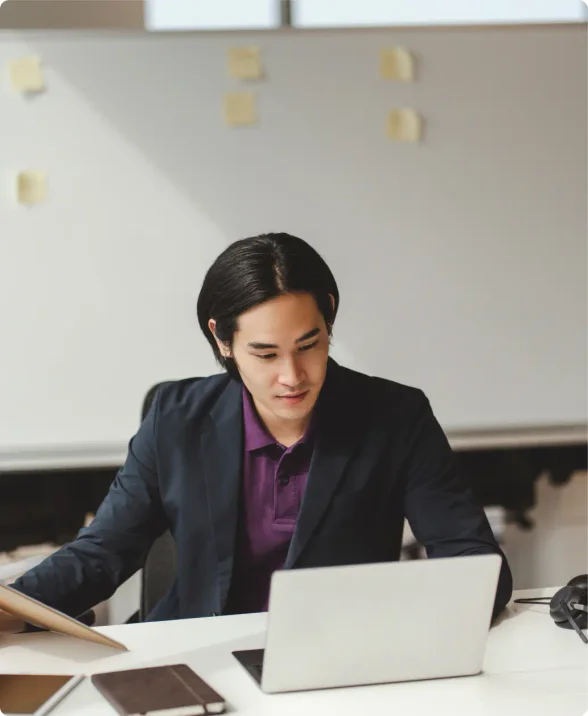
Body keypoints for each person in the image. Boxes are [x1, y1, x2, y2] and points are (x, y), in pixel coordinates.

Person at [2, 232, 512, 633]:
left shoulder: (396, 417)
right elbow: (104, 552)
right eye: (265, 355)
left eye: (309, 345)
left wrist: (399, 621)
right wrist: (14, 606)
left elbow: (474, 566)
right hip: (197, 652)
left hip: (341, 658)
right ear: (221, 340)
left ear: (330, 315)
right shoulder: (175, 418)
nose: (292, 376)